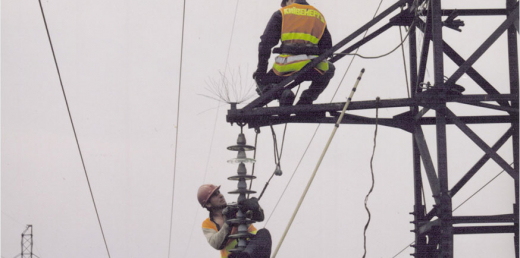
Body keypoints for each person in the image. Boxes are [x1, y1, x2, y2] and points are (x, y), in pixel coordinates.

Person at [253, 0, 335, 106]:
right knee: (330, 69)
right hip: (313, 67)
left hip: (286, 67)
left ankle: (283, 94)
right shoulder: (318, 15)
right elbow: (327, 48)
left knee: (260, 79)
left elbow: (265, 44)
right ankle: (306, 99)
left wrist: (261, 71)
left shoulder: (282, 13)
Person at [198, 184, 272, 258]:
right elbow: (216, 243)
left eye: (219, 192)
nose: (220, 195)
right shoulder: (207, 224)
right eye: (215, 195)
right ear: (208, 204)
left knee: (264, 233)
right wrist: (229, 222)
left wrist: (255, 208)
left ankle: (245, 256)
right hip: (233, 256)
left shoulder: (237, 209)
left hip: (253, 254)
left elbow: (259, 217)